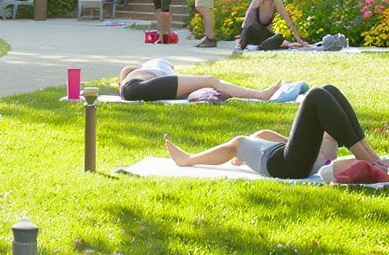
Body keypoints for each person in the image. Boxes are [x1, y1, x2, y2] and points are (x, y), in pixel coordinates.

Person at [164, 84, 389, 180]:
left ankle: (372, 157)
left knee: (327, 91)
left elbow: (254, 138)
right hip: (293, 165)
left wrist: (280, 141)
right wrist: (239, 153)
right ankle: (371, 158)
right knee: (317, 95)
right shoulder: (248, 149)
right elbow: (236, 147)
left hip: (307, 160)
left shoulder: (250, 146)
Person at [119, 61, 283, 102]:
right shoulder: (146, 69)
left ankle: (260, 95)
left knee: (207, 82)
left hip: (133, 91)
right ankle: (260, 95)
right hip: (136, 89)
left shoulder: (131, 80)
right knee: (210, 80)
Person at [240, 0, 306, 50]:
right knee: (256, 29)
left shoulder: (276, 1)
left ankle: (260, 46)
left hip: (262, 33)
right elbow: (246, 20)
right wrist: (242, 41)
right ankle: (258, 46)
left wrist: (299, 40)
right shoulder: (258, 0)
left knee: (279, 37)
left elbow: (288, 20)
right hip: (251, 32)